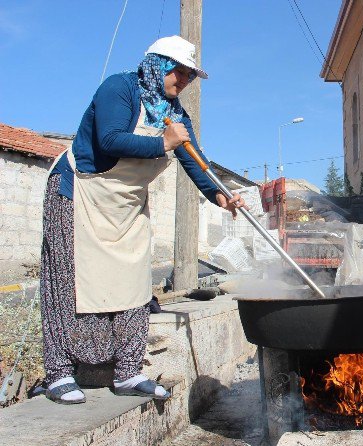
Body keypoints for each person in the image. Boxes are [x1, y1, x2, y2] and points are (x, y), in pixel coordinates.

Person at [40, 35, 245, 404]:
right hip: (78, 192)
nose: (183, 81)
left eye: (189, 76)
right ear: (158, 65)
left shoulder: (176, 116)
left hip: (125, 205)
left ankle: (128, 372)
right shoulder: (119, 88)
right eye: (178, 72)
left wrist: (220, 195)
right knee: (67, 282)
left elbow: (196, 162)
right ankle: (58, 374)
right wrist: (163, 143)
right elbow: (110, 139)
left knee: (134, 283)